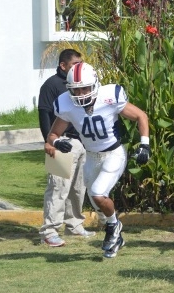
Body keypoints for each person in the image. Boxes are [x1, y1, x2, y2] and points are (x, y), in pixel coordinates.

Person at [44, 62, 151, 258]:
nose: (81, 93)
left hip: (114, 153)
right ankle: (114, 229)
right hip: (91, 157)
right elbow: (52, 136)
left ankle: (113, 229)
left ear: (95, 84)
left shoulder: (109, 96)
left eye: (85, 88)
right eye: (76, 90)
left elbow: (141, 116)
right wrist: (57, 142)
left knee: (98, 193)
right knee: (96, 202)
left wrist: (145, 144)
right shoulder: (66, 104)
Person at [37, 49, 95, 247]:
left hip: (82, 142)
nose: (78, 68)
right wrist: (49, 141)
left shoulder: (82, 85)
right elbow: (44, 114)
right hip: (61, 142)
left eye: (81, 64)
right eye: (74, 64)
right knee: (58, 187)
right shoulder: (52, 85)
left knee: (78, 188)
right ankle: (50, 230)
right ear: (63, 66)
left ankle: (74, 225)